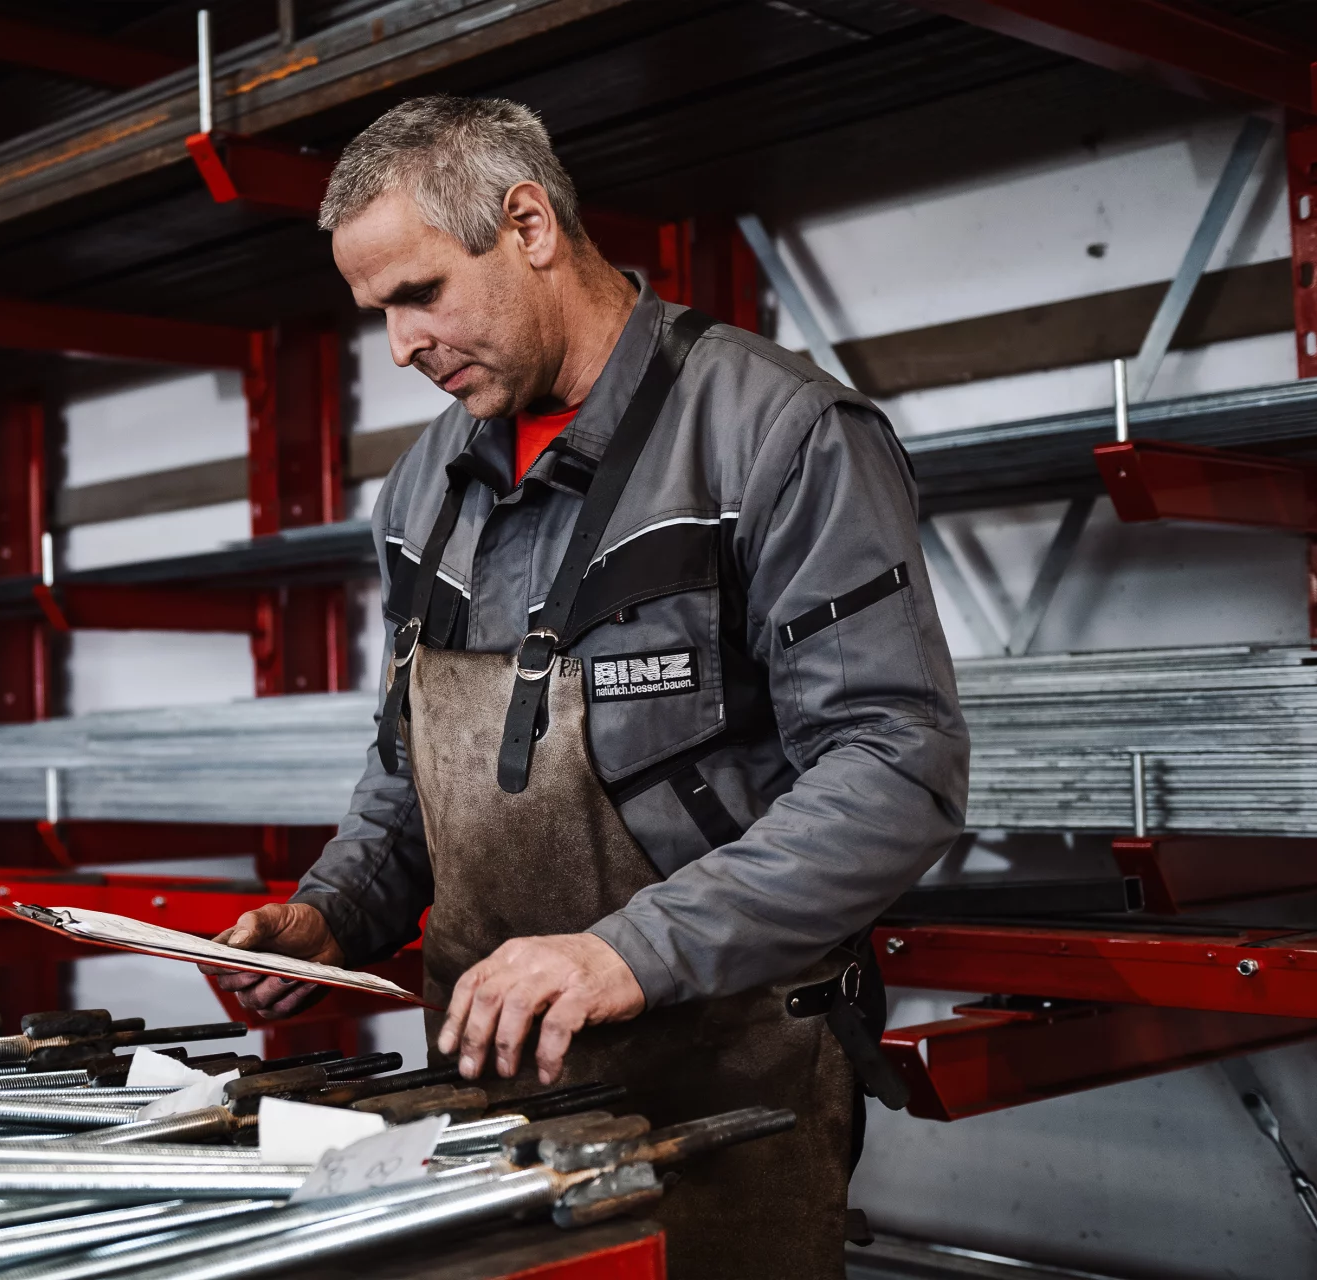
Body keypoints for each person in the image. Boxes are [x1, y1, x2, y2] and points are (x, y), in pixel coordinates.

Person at [203, 94, 969, 1278]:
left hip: (724, 1085)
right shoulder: (422, 493)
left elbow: (896, 767)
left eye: (420, 293)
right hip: (487, 1093)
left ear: (530, 225)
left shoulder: (775, 435)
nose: (400, 346)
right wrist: (328, 912)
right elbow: (411, 777)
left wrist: (627, 951)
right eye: (379, 312)